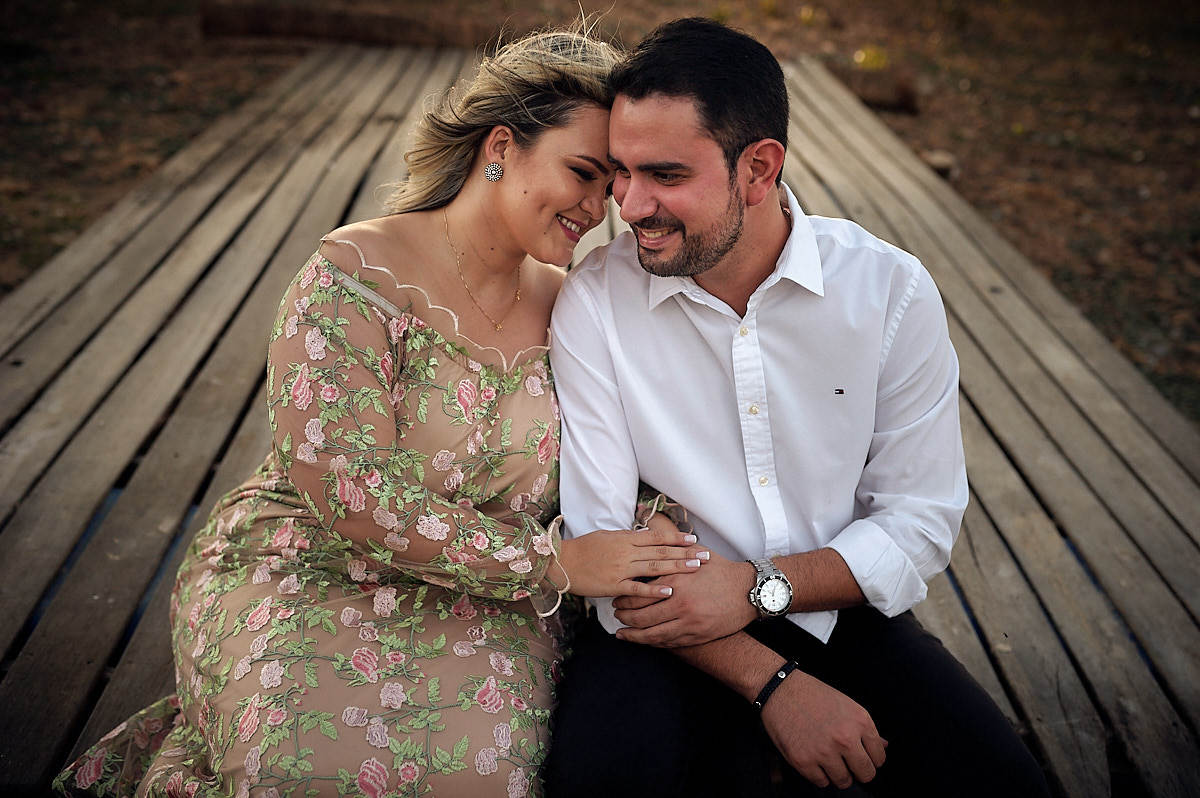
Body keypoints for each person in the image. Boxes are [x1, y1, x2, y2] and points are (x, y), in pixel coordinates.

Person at [54, 28, 711, 798]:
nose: (600, 209)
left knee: (480, 781)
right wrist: (552, 563)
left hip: (485, 604)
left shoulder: (578, 305)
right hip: (309, 566)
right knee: (300, 773)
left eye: (612, 186)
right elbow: (349, 491)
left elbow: (626, 450)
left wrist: (659, 517)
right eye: (584, 174)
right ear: (502, 145)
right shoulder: (353, 275)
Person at [544, 18, 1051, 798]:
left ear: (760, 167)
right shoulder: (597, 304)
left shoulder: (890, 292)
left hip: (837, 608)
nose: (629, 204)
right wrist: (774, 683)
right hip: (664, 631)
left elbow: (917, 520)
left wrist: (755, 589)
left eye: (665, 175)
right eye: (620, 172)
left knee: (1003, 785)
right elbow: (605, 547)